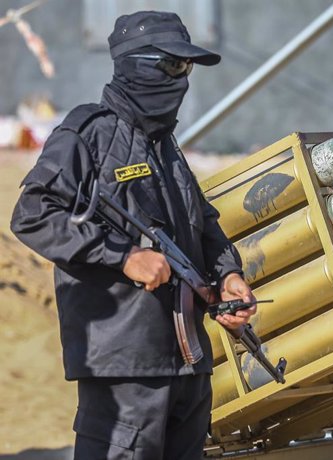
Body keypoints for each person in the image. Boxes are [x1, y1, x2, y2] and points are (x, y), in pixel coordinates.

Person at [10, 11, 256, 459]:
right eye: (172, 66)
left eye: (187, 68)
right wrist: (122, 257)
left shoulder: (167, 146)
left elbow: (202, 224)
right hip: (125, 366)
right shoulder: (89, 134)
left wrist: (228, 276)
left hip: (187, 366)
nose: (182, 79)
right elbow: (31, 214)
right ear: (134, 65)